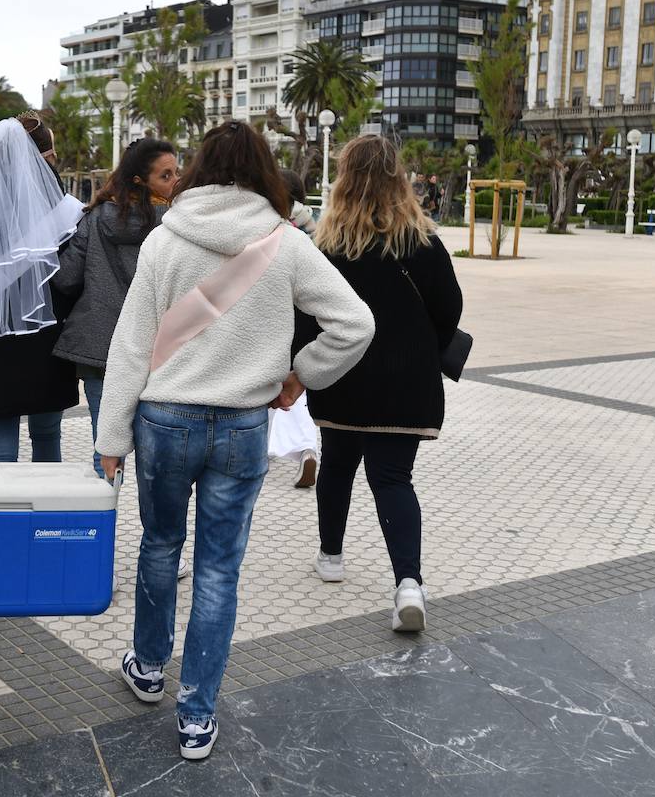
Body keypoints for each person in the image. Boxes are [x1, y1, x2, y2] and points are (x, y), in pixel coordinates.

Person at [96, 121, 374, 761]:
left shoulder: (166, 241)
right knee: (220, 569)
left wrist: (112, 437)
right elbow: (356, 322)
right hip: (244, 425)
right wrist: (302, 375)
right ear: (262, 172)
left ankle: (146, 668)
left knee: (161, 545)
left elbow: (132, 345)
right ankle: (196, 715)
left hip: (164, 421)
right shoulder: (286, 242)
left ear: (198, 170)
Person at [301, 134, 463, 632]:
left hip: (342, 379)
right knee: (393, 480)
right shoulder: (425, 243)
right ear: (400, 179)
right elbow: (449, 310)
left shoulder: (325, 245)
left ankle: (330, 556)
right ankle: (408, 584)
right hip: (407, 384)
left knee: (337, 465)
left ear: (344, 181)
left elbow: (306, 314)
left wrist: (301, 368)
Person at [0, 113, 82, 462]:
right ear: (46, 155)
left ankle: (2, 516)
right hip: (48, 334)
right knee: (47, 435)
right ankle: (45, 515)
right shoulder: (64, 207)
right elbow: (71, 276)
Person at [52, 139, 176, 477]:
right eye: (166, 175)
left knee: (104, 446)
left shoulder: (94, 219)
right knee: (158, 456)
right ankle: (155, 530)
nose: (176, 181)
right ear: (140, 180)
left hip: (99, 342)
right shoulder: (178, 225)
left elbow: (65, 278)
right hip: (160, 347)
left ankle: (102, 525)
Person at [274, 169, 320, 488]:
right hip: (304, 317)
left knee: (272, 388)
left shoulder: (275, 226)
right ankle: (306, 449)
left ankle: (255, 454)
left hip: (275, 317)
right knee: (293, 389)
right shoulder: (308, 223)